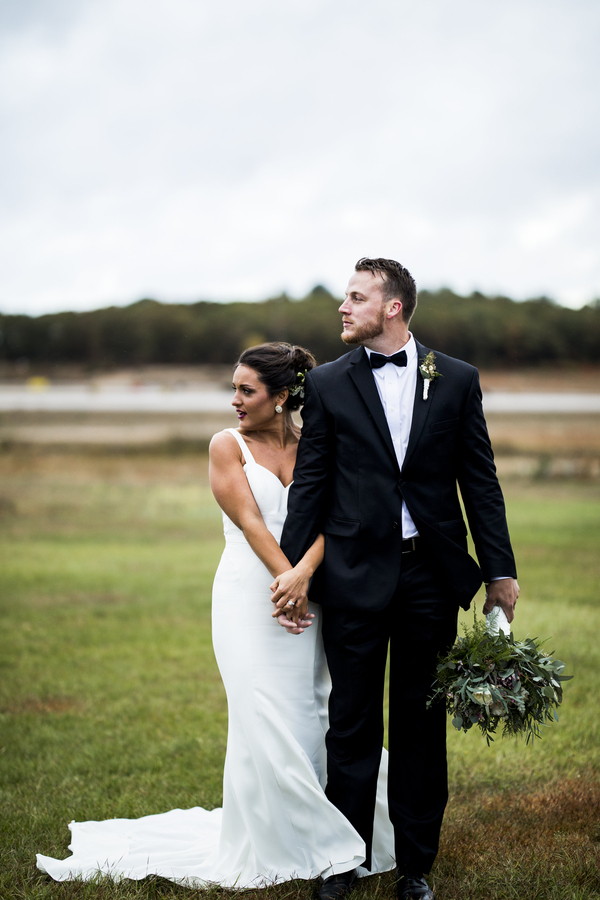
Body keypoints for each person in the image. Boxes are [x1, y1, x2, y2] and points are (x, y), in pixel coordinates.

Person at [36, 341, 395, 888]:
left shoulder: (317, 446)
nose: (234, 400)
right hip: (248, 599)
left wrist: (303, 579)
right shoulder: (226, 446)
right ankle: (291, 844)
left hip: (308, 594)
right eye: (234, 388)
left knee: (314, 714)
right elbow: (252, 524)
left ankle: (326, 837)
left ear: (282, 398)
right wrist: (287, 583)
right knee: (260, 714)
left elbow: (338, 521)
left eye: (245, 390)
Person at [275, 259, 519, 900]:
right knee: (351, 724)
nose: (342, 308)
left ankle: (415, 867)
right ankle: (343, 861)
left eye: (355, 297)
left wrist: (499, 570)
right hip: (353, 576)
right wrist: (292, 569)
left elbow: (480, 479)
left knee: (419, 724)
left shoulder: (456, 379)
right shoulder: (327, 384)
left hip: (430, 580)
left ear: (394, 307)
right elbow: (311, 485)